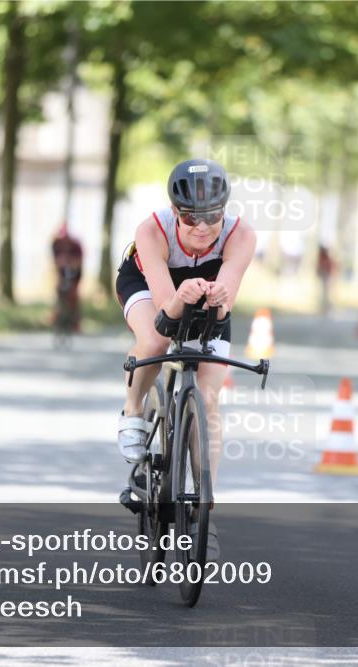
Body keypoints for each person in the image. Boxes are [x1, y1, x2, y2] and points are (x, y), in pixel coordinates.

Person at [115, 158, 256, 558]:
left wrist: (219, 299)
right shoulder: (151, 231)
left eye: (212, 215)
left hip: (206, 294)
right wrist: (180, 298)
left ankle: (202, 511)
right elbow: (165, 312)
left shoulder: (242, 235)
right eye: (190, 217)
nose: (202, 226)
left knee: (208, 400)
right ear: (174, 211)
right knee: (155, 342)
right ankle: (133, 411)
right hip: (149, 285)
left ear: (224, 210)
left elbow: (225, 302)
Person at [51, 222, 83, 333]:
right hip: (61, 270)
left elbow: (79, 261)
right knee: (59, 290)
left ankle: (75, 322)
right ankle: (57, 315)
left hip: (75, 271)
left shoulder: (75, 245)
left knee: (74, 294)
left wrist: (72, 265)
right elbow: (55, 260)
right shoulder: (56, 244)